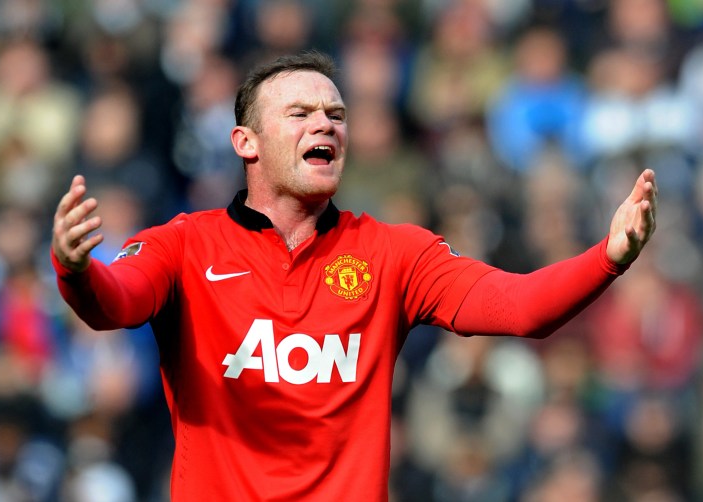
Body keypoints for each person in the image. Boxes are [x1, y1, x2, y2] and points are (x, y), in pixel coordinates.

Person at [50, 51, 657, 501]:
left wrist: (609, 254)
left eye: (335, 114)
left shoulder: (392, 254)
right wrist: (75, 269)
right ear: (246, 142)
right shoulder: (185, 243)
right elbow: (115, 304)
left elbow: (519, 307)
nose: (326, 125)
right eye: (300, 113)